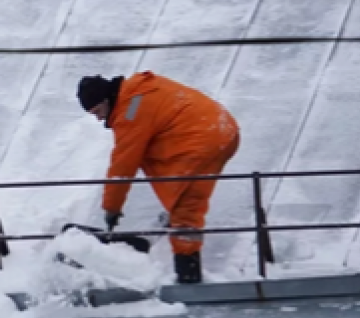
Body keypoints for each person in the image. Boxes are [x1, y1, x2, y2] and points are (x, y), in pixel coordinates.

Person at [78, 72, 240, 285]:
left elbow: (123, 164)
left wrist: (111, 208)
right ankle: (179, 249)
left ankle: (188, 276)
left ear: (107, 100)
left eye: (98, 111)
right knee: (170, 179)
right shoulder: (137, 91)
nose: (99, 119)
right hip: (220, 129)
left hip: (201, 139)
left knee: (185, 208)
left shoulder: (130, 111)